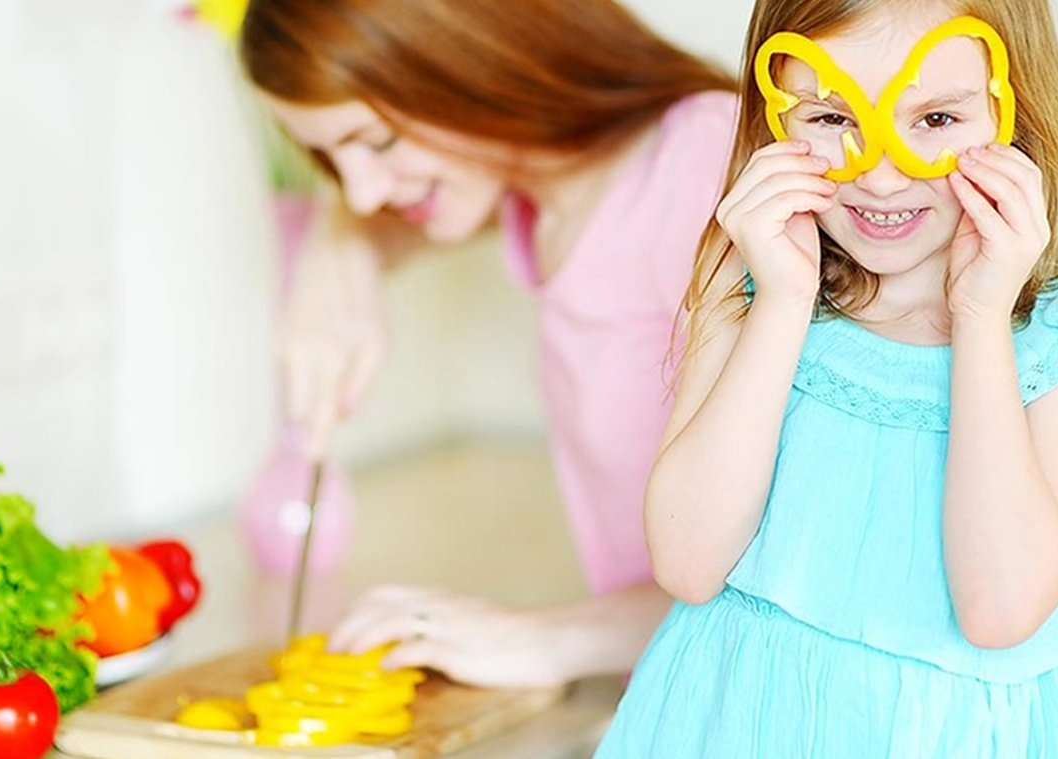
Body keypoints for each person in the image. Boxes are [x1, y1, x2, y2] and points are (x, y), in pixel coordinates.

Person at [593, 0, 1058, 755]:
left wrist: (980, 316)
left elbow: (1000, 611)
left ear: (1013, 113)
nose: (882, 176)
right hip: (731, 718)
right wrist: (783, 301)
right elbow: (688, 565)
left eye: (937, 120)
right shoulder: (743, 282)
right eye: (831, 117)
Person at [237, 0, 737, 688]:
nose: (362, 191)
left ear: (473, 52)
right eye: (328, 155)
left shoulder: (702, 165)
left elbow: (799, 565)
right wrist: (337, 248)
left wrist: (547, 640)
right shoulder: (536, 196)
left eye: (375, 142)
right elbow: (375, 221)